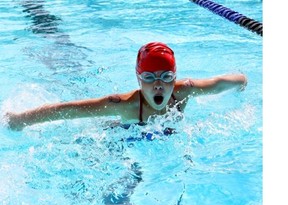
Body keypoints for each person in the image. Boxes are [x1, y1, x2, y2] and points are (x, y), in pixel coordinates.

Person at [5, 42, 247, 131]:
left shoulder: (185, 91)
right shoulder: (125, 105)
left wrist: (242, 83)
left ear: (175, 77)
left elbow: (221, 83)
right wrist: (19, 120)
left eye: (166, 77)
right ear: (138, 79)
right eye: (150, 78)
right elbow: (68, 109)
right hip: (122, 137)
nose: (159, 85)